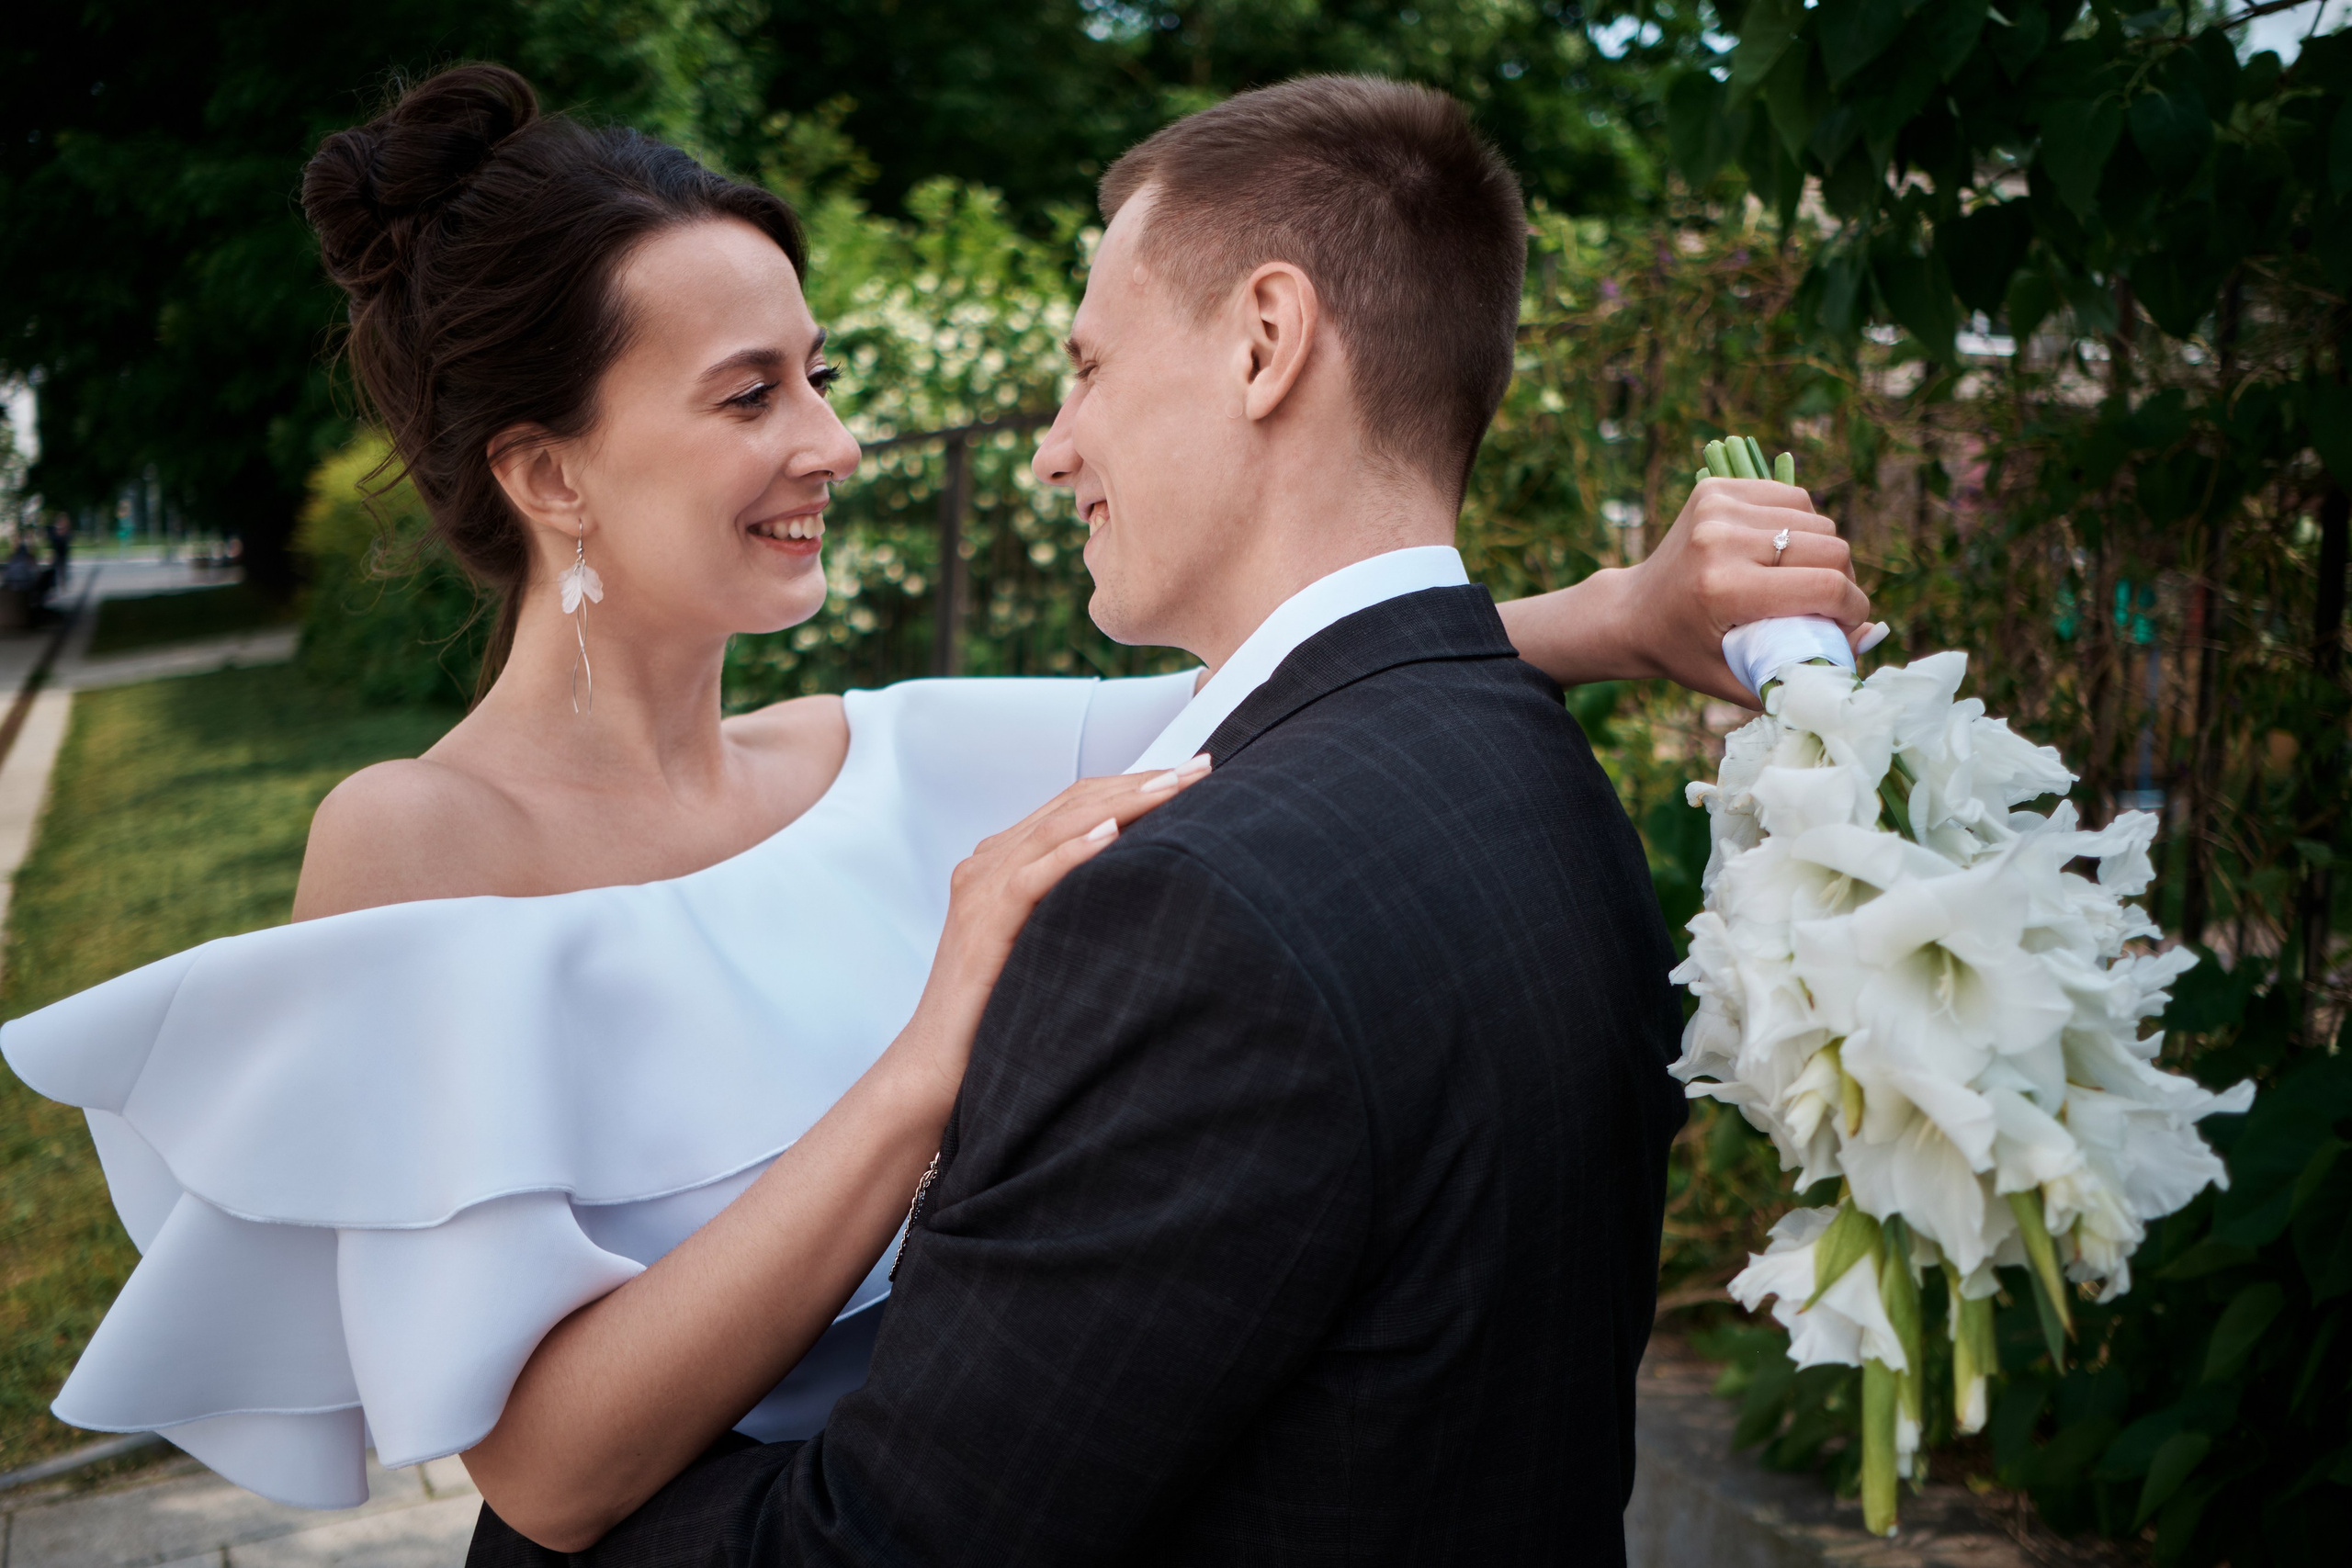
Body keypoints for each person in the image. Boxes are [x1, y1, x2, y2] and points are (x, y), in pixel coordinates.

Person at [0, 64, 1868, 1554]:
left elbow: (1298, 692)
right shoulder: (411, 846)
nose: (828, 440)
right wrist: (919, 1067)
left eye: (820, 376)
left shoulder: (909, 753)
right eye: (750, 393)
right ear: (545, 469)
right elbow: (551, 1479)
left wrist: (1627, 614)